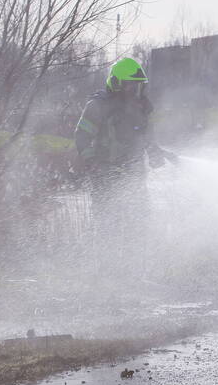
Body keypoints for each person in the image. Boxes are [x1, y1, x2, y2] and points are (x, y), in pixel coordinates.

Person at [74, 57, 173, 245]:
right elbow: (81, 137)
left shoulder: (142, 107)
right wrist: (93, 162)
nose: (135, 90)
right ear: (117, 83)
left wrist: (155, 154)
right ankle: (107, 268)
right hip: (105, 178)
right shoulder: (97, 106)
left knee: (139, 226)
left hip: (135, 177)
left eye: (138, 86)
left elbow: (147, 138)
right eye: (130, 85)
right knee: (107, 227)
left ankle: (137, 268)